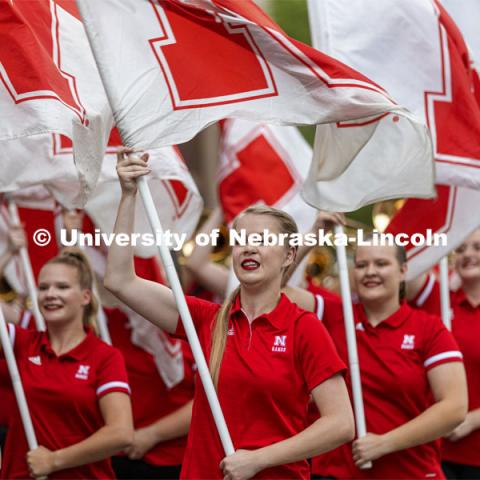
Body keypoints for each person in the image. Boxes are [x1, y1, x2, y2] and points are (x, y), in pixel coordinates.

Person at [104, 149, 355, 480]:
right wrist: (128, 196)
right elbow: (120, 280)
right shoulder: (206, 319)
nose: (248, 248)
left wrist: (259, 459)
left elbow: (340, 423)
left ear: (289, 255)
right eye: (241, 240)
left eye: (262, 240)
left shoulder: (303, 328)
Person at [286, 240, 468, 479]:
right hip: (336, 474)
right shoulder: (333, 315)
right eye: (361, 265)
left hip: (411, 473)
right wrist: (316, 234)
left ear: (403, 271)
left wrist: (385, 443)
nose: (370, 272)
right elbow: (276, 288)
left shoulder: (428, 329)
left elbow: (454, 407)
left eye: (381, 264)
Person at [0, 248, 133, 479]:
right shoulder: (22, 343)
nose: (50, 294)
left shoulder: (105, 357)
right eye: (43, 287)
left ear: (85, 297)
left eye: (62, 287)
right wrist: (8, 251)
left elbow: (121, 433)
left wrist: (54, 461)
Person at [407, 229, 480, 479]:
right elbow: (403, 266)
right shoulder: (439, 298)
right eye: (460, 249)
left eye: (477, 248)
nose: (468, 254)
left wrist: (472, 419)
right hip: (433, 451)